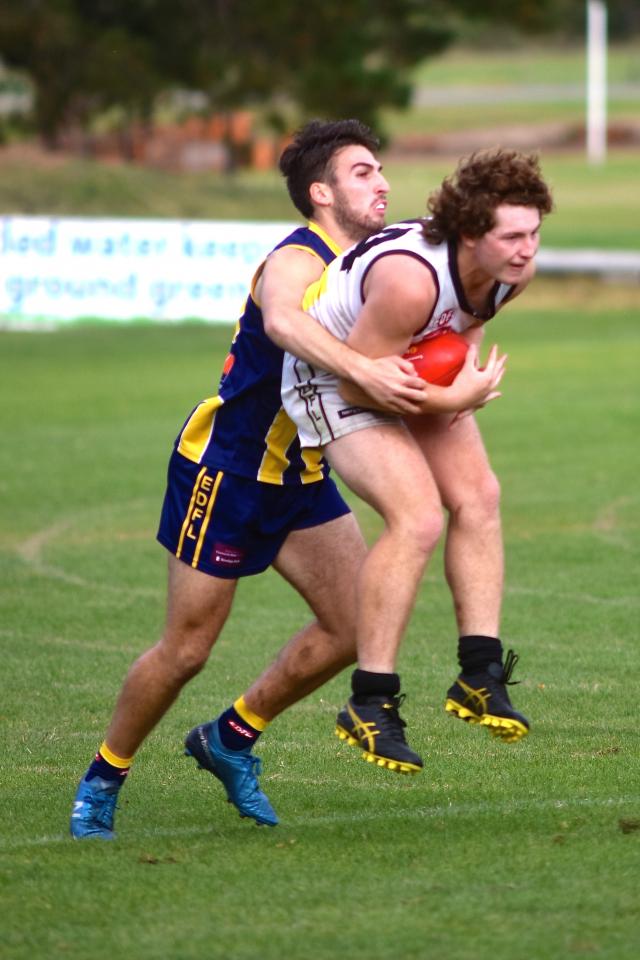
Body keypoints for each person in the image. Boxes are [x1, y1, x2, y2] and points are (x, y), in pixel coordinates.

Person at [70, 119, 425, 839]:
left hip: (304, 471)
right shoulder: (297, 258)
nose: (382, 181)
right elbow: (286, 321)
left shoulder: (376, 264)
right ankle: (103, 778)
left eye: (381, 169)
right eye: (363, 172)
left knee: (357, 624)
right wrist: (363, 370)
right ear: (321, 193)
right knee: (186, 651)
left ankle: (230, 738)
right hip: (228, 470)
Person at [282, 148, 554, 773]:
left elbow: (468, 323)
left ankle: (479, 674)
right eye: (511, 235)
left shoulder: (514, 273)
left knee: (479, 496)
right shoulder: (410, 281)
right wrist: (452, 395)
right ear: (468, 233)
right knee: (418, 517)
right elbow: (357, 384)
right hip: (332, 382)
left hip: (409, 363)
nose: (525, 249)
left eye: (534, 232)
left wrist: (454, 378)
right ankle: (369, 701)